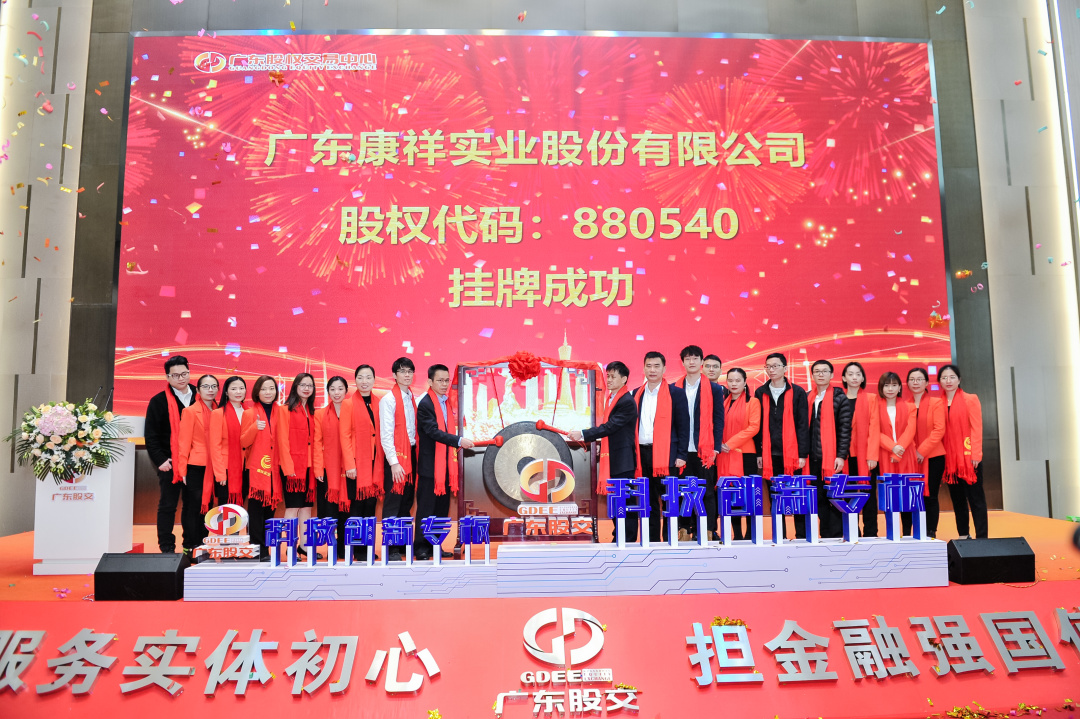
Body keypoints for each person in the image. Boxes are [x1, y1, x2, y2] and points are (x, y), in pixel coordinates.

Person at [569, 361, 637, 540]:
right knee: (616, 500)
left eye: (613, 376)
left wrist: (583, 433)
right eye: (608, 376)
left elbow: (610, 427)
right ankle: (619, 535)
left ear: (624, 379)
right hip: (613, 458)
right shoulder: (612, 399)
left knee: (625, 501)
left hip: (623, 460)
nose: (609, 380)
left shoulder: (626, 401)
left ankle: (628, 538)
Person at [415, 364, 475, 560]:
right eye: (440, 380)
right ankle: (421, 547)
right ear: (430, 381)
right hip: (430, 467)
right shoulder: (425, 404)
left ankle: (435, 545)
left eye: (446, 380)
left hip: (445, 466)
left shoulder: (446, 403)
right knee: (426, 509)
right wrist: (458, 441)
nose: (444, 384)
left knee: (441, 509)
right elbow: (433, 432)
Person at [634, 351, 690, 542]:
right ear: (643, 368)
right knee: (648, 500)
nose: (652, 370)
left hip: (668, 455)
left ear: (664, 369)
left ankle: (669, 539)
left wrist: (682, 454)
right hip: (642, 454)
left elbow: (684, 426)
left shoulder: (676, 393)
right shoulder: (636, 394)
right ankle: (651, 540)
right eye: (649, 366)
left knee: (669, 499)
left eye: (657, 366)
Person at [144, 355, 198, 554]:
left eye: (184, 373)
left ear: (189, 373)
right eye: (175, 375)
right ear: (167, 377)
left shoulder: (200, 396)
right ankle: (166, 548)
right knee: (168, 505)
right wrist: (160, 460)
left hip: (196, 462)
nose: (181, 378)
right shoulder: (158, 401)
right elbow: (151, 435)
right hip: (170, 462)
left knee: (193, 506)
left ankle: (190, 545)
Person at [754, 353, 809, 540]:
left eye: (775, 366)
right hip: (771, 455)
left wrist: (802, 454)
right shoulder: (760, 392)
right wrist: (759, 452)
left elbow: (803, 425)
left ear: (785, 368)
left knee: (797, 496)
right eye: (768, 366)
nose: (771, 370)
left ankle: (801, 536)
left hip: (793, 455)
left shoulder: (798, 392)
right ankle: (780, 535)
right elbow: (758, 426)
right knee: (776, 496)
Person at [210, 376, 266, 558]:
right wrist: (220, 474)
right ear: (226, 392)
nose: (238, 392)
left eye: (241, 388)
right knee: (228, 509)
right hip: (227, 468)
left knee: (248, 508)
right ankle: (228, 548)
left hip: (248, 467)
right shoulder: (218, 413)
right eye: (234, 388)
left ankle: (248, 546)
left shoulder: (250, 412)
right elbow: (215, 446)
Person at [676, 345, 725, 541]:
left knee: (707, 491)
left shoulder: (714, 389)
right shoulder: (674, 388)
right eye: (688, 358)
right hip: (681, 450)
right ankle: (683, 530)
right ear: (682, 362)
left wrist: (715, 448)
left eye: (695, 358)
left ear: (701, 362)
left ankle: (707, 530)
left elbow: (718, 419)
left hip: (705, 450)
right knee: (682, 491)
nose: (691, 362)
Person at [801, 360, 851, 540]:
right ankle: (826, 534)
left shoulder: (840, 397)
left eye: (824, 371)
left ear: (832, 375)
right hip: (812, 458)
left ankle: (838, 535)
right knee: (819, 498)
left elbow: (845, 429)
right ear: (812, 375)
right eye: (817, 371)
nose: (820, 374)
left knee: (835, 498)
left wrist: (841, 456)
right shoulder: (807, 397)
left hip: (832, 459)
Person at [938, 364, 988, 539]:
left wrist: (976, 454)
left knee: (976, 500)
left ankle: (982, 537)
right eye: (944, 377)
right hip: (950, 461)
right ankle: (963, 535)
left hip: (969, 459)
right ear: (939, 382)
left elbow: (976, 428)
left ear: (959, 380)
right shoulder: (937, 403)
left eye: (952, 377)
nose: (948, 381)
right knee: (958, 500)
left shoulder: (970, 399)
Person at [380, 357, 419, 561]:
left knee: (406, 502)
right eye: (402, 371)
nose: (406, 375)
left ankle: (402, 543)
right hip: (395, 457)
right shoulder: (389, 400)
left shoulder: (412, 397)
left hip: (410, 454)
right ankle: (390, 547)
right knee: (393, 503)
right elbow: (386, 435)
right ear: (394, 375)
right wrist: (394, 463)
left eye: (410, 371)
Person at [240, 376, 284, 558]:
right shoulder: (249, 413)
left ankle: (267, 547)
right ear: (257, 391)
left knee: (270, 510)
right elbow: (243, 442)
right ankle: (257, 548)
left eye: (272, 388)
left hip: (276, 468)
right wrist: (254, 428)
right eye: (264, 389)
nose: (268, 392)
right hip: (257, 470)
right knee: (256, 509)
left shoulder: (282, 412)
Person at [175, 374, 219, 554]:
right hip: (196, 466)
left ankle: (204, 544)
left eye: (214, 386)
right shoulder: (190, 411)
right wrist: (182, 469)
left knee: (208, 507)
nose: (210, 390)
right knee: (193, 507)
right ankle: (190, 545)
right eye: (206, 386)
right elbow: (183, 443)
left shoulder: (220, 410)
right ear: (198, 390)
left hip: (216, 465)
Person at [339, 364, 384, 538]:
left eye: (368, 377)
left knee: (371, 504)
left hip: (376, 462)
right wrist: (350, 465)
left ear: (374, 380)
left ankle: (367, 545)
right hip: (356, 464)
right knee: (357, 505)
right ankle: (355, 546)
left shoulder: (380, 403)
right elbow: (344, 436)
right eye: (360, 377)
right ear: (355, 380)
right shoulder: (348, 404)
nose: (364, 381)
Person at [314, 376, 354, 560]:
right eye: (332, 389)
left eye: (340, 389)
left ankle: (346, 547)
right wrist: (318, 468)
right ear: (328, 391)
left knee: (348, 510)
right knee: (329, 511)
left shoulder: (353, 411)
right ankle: (332, 546)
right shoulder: (320, 414)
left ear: (346, 391)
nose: (336, 393)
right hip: (328, 470)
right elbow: (317, 443)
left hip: (350, 469)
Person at [278, 373, 318, 558]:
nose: (306, 388)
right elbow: (282, 441)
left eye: (310, 385)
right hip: (293, 468)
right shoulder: (285, 410)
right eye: (302, 385)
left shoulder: (311, 411)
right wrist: (288, 468)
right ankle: (290, 546)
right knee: (292, 508)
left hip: (309, 467)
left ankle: (305, 546)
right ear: (295, 386)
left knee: (307, 508)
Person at [719, 368, 760, 540]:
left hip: (745, 455)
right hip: (724, 455)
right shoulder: (722, 402)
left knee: (748, 496)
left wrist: (730, 444)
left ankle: (751, 534)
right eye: (730, 380)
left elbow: (754, 427)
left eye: (738, 380)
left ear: (745, 382)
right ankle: (736, 535)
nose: (734, 384)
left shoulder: (753, 402)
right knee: (731, 495)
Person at [841, 361, 881, 536]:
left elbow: (875, 428)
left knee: (868, 495)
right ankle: (852, 531)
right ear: (844, 378)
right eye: (850, 374)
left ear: (863, 378)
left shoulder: (872, 398)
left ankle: (871, 532)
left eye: (858, 374)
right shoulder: (838, 398)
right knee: (848, 495)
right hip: (845, 456)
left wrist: (872, 455)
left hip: (866, 457)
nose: (854, 377)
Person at [908, 367, 946, 537]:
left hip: (933, 457)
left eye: (919, 379)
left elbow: (939, 430)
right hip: (910, 458)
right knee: (912, 496)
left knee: (930, 496)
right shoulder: (904, 404)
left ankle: (930, 532)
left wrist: (921, 451)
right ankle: (913, 532)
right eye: (912, 380)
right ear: (907, 383)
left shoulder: (936, 403)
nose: (915, 383)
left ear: (926, 383)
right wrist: (912, 451)